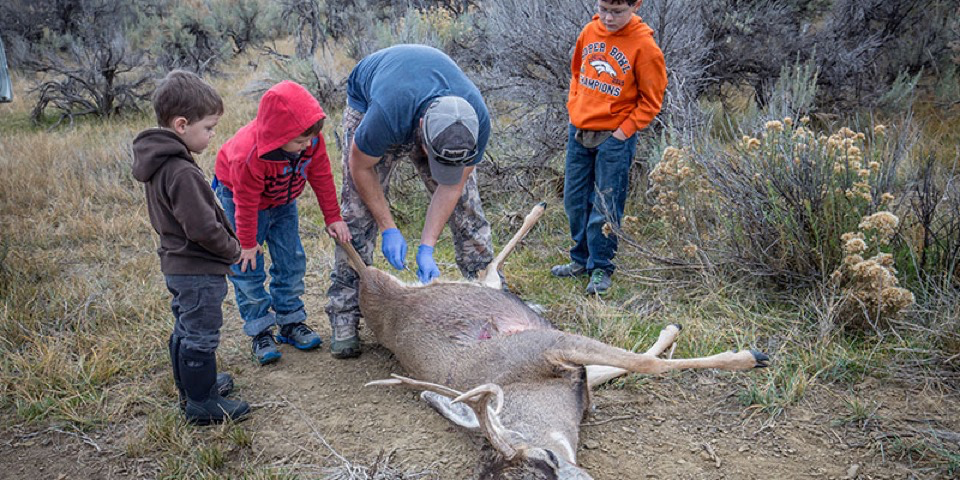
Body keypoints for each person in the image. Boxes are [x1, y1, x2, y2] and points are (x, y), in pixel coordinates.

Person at [325, 44, 496, 359]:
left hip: (426, 109)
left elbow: (452, 187)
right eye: (432, 157)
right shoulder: (386, 115)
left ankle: (489, 287)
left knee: (467, 207)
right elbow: (360, 167)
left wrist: (427, 246)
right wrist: (388, 227)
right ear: (421, 133)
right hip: (374, 98)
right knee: (356, 216)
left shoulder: (477, 122)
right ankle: (344, 312)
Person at [132, 70, 250, 425]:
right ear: (181, 124)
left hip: (177, 265)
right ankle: (201, 402)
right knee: (201, 330)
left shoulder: (160, 161)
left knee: (185, 326)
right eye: (209, 128)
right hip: (197, 267)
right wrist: (232, 249)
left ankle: (193, 386)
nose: (213, 135)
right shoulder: (181, 170)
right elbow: (201, 227)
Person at [214, 81, 351, 366]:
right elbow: (246, 202)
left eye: (310, 140)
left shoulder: (311, 141)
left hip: (283, 201)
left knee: (291, 260)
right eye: (300, 142)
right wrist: (248, 243)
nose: (307, 146)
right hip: (240, 202)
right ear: (279, 136)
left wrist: (333, 216)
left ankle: (290, 322)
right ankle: (260, 330)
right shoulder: (248, 155)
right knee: (248, 267)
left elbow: (322, 175)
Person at [552, 0, 667, 295]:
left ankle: (601, 267)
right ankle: (580, 260)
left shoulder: (644, 46)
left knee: (605, 205)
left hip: (614, 138)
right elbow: (577, 73)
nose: (607, 17)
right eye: (603, 8)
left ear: (635, 5)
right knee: (574, 200)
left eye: (617, 11)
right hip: (579, 129)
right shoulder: (590, 31)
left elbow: (651, 102)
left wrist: (622, 133)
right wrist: (574, 107)